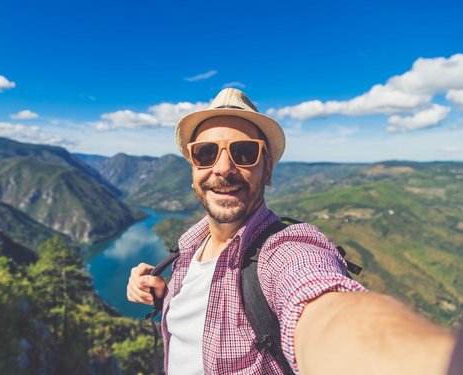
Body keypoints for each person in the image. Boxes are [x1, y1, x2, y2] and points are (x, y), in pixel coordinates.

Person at [126, 88, 456, 374]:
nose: (223, 168)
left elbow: (320, 304)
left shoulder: (285, 250)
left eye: (244, 153)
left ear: (267, 170)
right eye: (206, 153)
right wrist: (163, 293)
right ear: (193, 170)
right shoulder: (186, 252)